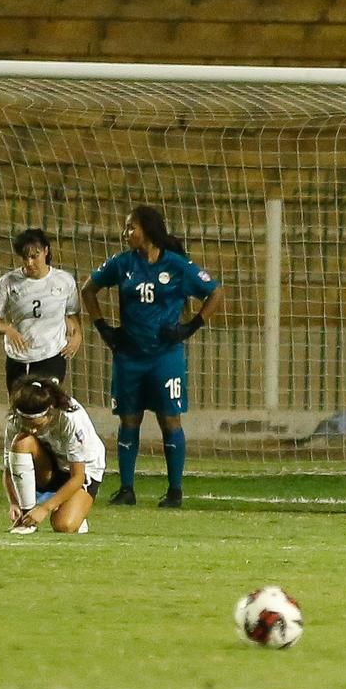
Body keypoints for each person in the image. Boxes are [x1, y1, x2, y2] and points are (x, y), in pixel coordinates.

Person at [80, 205, 223, 508]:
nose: (126, 233)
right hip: (129, 356)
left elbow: (215, 292)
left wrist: (190, 327)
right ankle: (126, 489)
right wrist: (103, 328)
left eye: (131, 227)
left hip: (165, 357)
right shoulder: (122, 263)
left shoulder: (177, 265)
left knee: (170, 419)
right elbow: (88, 290)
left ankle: (175, 491)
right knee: (129, 419)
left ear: (147, 229)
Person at [0, 228, 82, 389]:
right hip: (18, 358)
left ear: (46, 251)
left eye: (34, 256)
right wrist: (8, 330)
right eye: (25, 257)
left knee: (46, 402)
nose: (29, 262)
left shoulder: (64, 281)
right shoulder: (8, 282)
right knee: (21, 403)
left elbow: (72, 314)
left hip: (51, 356)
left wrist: (78, 336)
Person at [3, 379, 105, 534]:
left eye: (36, 425)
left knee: (64, 525)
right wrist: (14, 503)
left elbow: (78, 477)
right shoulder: (15, 421)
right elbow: (8, 470)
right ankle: (26, 517)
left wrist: (45, 508)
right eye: (26, 424)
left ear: (50, 411)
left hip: (83, 471)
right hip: (50, 466)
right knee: (22, 442)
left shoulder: (70, 419)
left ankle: (74, 510)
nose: (33, 431)